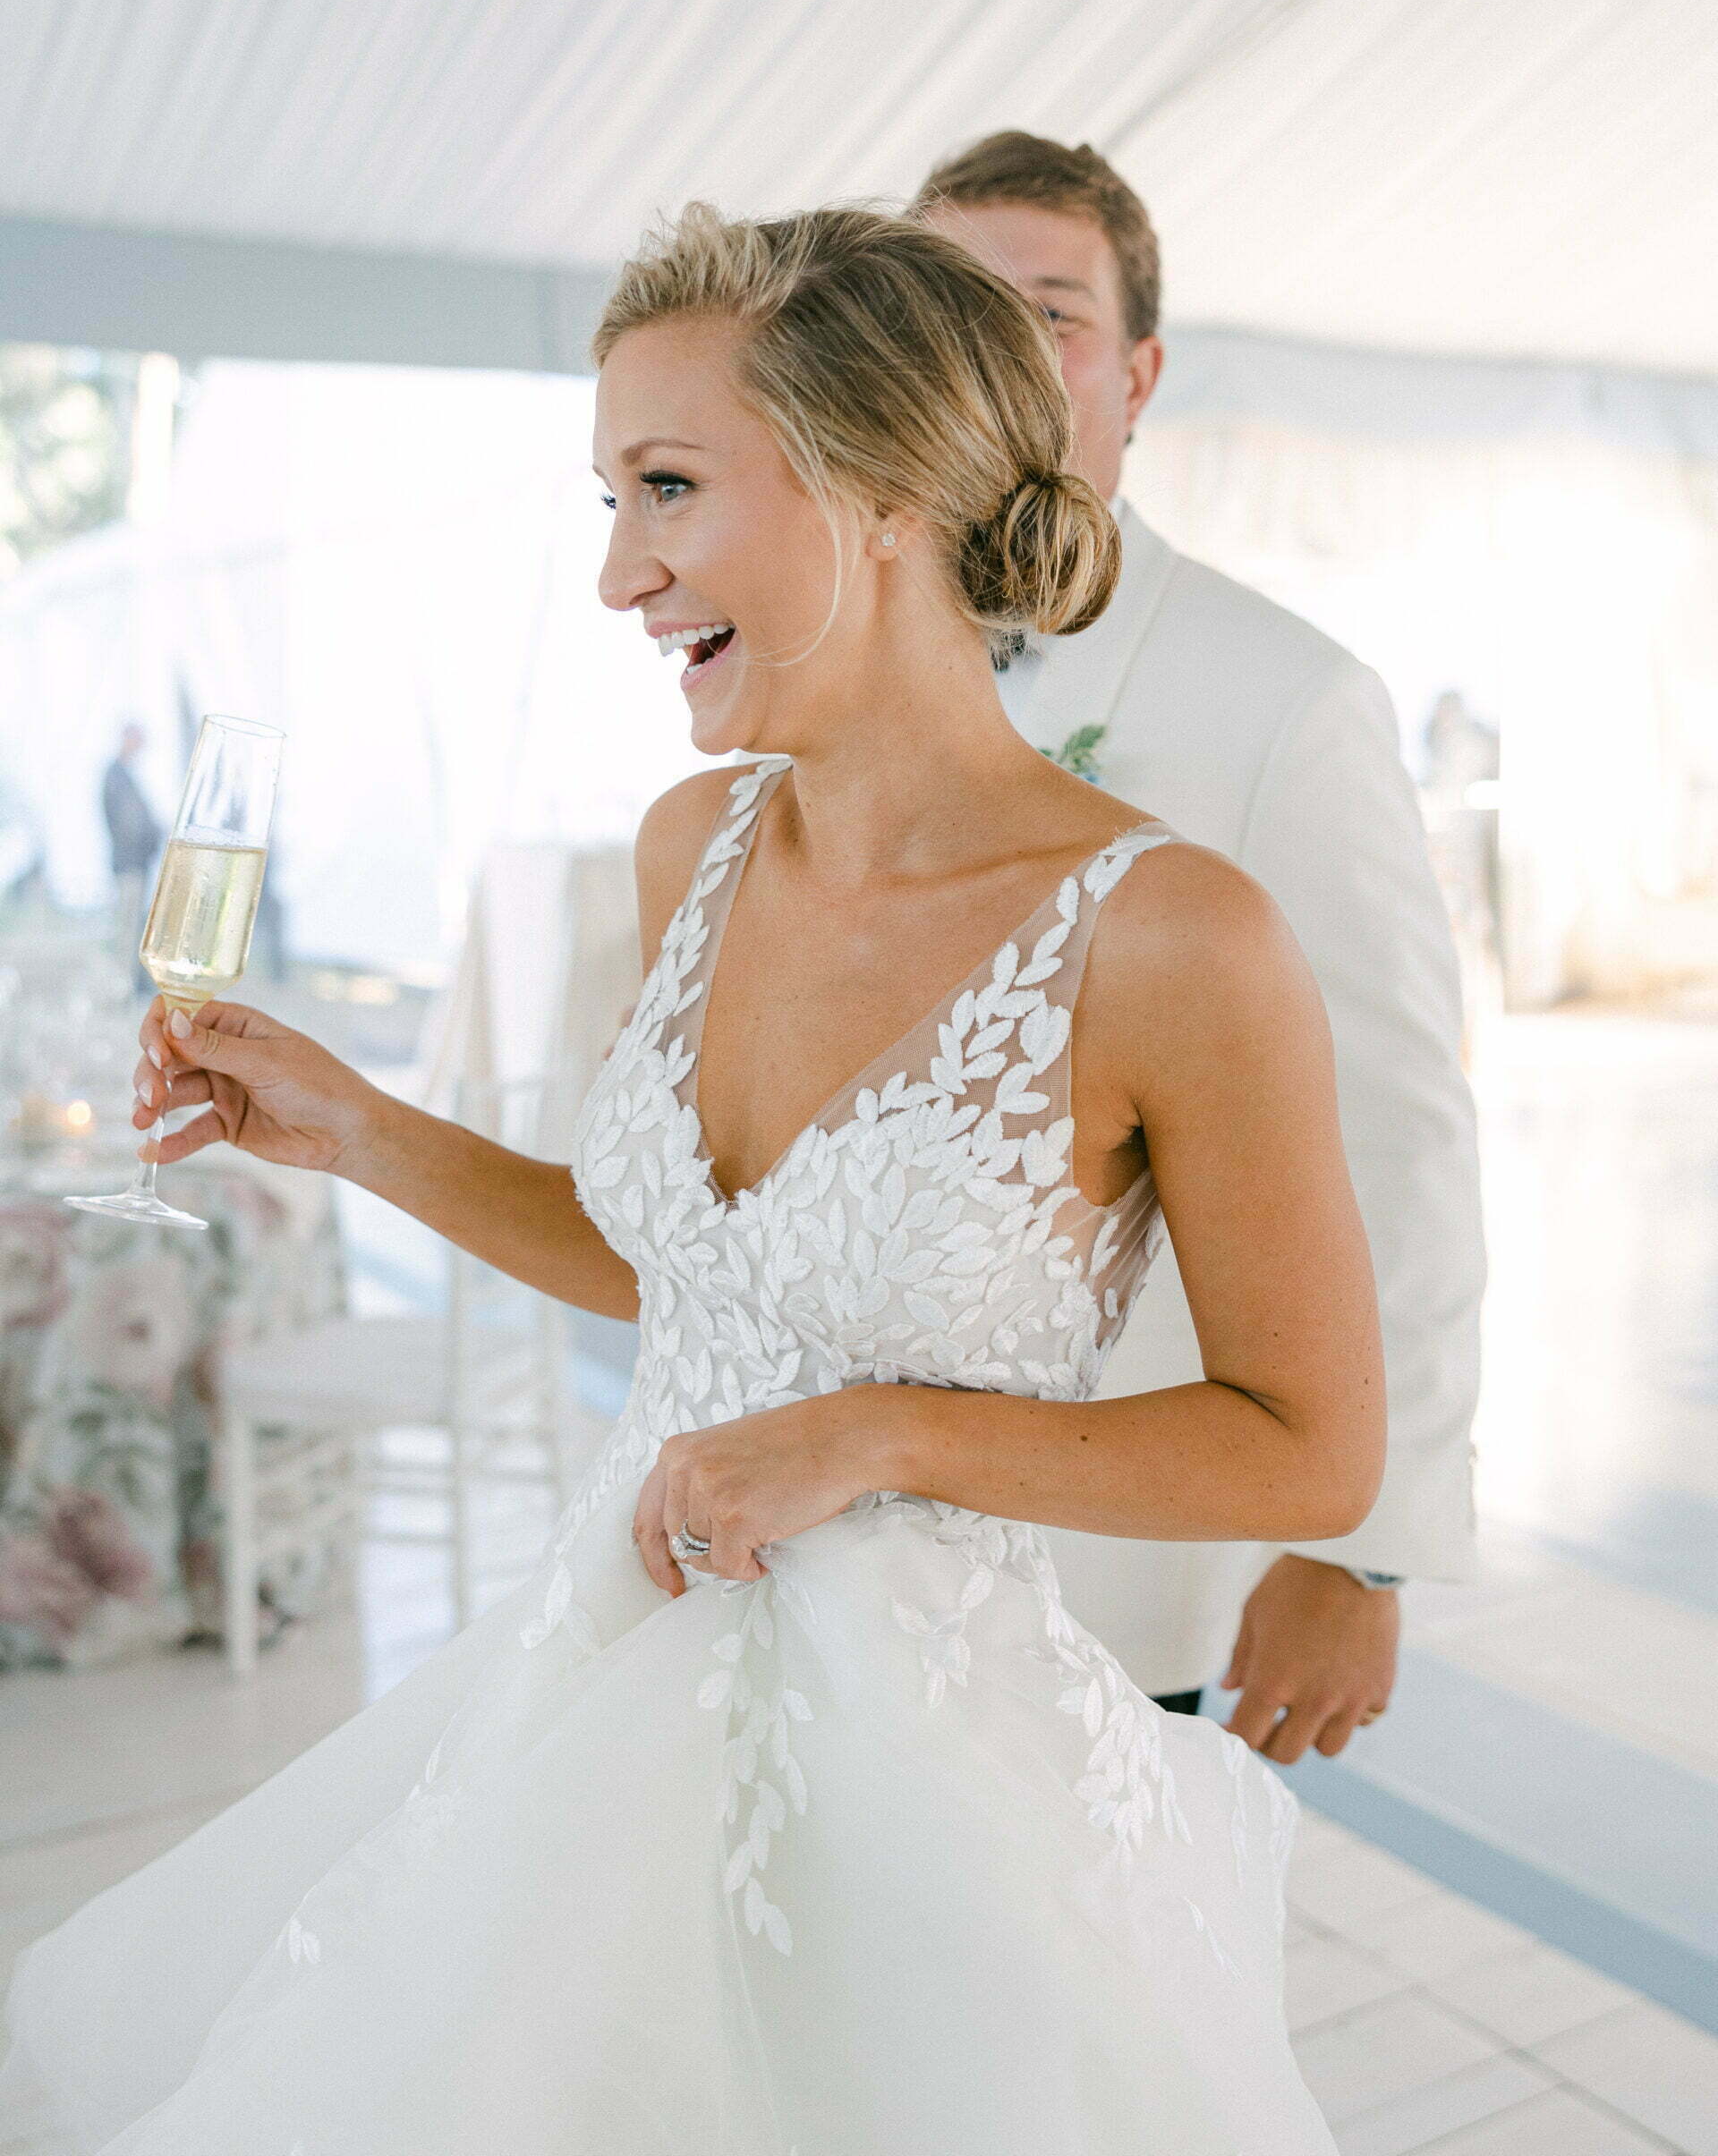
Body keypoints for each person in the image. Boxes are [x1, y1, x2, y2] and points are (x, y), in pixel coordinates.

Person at [0, 206, 1382, 2153]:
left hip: (932, 1810)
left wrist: (871, 1435)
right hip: (598, 1708)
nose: (616, 571)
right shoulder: (688, 848)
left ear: (884, 486)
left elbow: (1307, 1444)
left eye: (666, 487)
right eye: (608, 494)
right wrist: (358, 1128)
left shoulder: (1172, 936)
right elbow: (690, 1269)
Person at [912, 132, 1484, 1755]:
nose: (1005, 358)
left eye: (1053, 313)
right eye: (954, 311)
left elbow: (1403, 1140)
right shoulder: (830, 669)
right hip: (842, 1529)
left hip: (1122, 1558)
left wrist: (1358, 1546)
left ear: (1138, 374)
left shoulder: (1284, 702)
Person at [99, 724, 163, 989]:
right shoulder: (117, 776)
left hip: (135, 864)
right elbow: (130, 825)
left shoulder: (125, 776)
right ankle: (122, 987)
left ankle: (132, 984)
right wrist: (152, 837)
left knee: (135, 925)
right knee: (127, 928)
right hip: (129, 865)